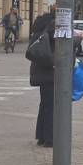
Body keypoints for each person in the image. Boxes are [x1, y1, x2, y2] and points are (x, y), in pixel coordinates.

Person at [29, 9, 56, 148]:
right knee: (51, 106)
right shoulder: (53, 26)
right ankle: (49, 138)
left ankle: (41, 136)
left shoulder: (40, 25)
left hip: (40, 70)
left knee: (45, 104)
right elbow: (61, 46)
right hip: (51, 71)